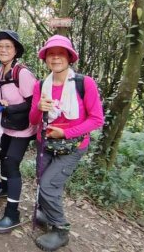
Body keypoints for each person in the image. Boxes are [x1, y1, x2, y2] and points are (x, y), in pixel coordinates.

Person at [29, 35, 103, 251]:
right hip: (46, 143)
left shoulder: (84, 83)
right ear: (46, 59)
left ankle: (61, 229)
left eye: (61, 53)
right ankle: (46, 213)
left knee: (48, 185)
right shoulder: (41, 85)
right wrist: (38, 108)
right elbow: (33, 121)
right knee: (44, 180)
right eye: (51, 54)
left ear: (69, 57)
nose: (55, 57)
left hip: (73, 146)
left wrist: (66, 132)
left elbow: (97, 119)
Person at [0, 30, 38, 234]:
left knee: (11, 162)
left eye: (8, 46)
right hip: (5, 123)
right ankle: (4, 187)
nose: (3, 50)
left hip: (23, 127)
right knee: (2, 155)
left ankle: (12, 213)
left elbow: (34, 104)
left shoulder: (22, 73)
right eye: (0, 46)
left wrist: (8, 108)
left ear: (15, 50)